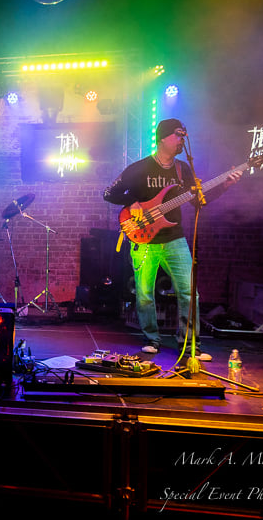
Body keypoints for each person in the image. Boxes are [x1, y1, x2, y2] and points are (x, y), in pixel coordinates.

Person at [103, 119, 242, 361]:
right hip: (143, 238)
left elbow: (198, 201)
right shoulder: (139, 168)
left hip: (174, 238)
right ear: (163, 138)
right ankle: (151, 339)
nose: (181, 140)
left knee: (189, 293)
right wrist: (132, 202)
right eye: (177, 135)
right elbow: (108, 193)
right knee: (144, 293)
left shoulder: (182, 169)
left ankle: (190, 345)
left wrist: (225, 186)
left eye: (183, 135)